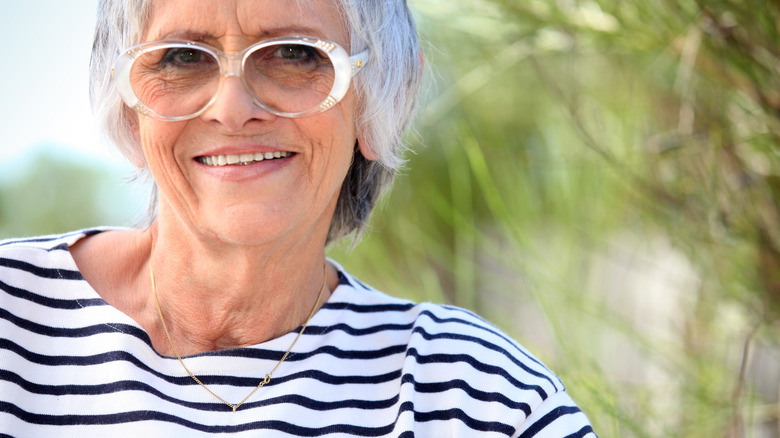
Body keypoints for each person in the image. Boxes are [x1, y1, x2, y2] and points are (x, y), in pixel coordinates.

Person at [0, 0, 596, 436]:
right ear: (130, 110)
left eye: (294, 55)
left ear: (384, 94)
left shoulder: (478, 399)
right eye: (181, 58)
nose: (232, 110)